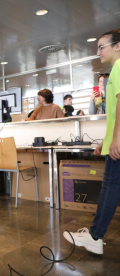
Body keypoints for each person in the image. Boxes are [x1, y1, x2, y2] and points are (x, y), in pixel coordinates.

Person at [64, 29, 120, 255]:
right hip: (114, 141)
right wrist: (105, 142)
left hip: (119, 142)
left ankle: (95, 236)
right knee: (110, 187)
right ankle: (95, 235)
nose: (97, 52)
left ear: (118, 46)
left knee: (110, 187)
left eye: (101, 47)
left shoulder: (119, 67)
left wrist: (116, 139)